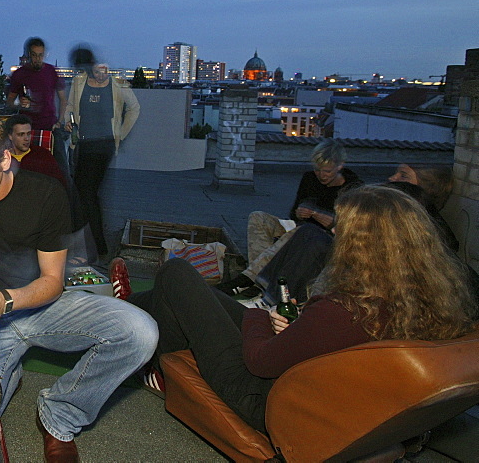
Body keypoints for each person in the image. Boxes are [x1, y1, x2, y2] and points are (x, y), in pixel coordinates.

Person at [119, 185, 478, 432]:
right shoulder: (427, 299)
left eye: (343, 229)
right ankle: (131, 316)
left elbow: (261, 361)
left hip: (263, 396)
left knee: (177, 274)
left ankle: (127, 321)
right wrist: (296, 331)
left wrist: (260, 316)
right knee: (190, 297)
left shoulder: (346, 309)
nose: (335, 234)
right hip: (317, 392)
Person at [0, 112, 157, 462]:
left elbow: (52, 282)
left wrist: (7, 298)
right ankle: (5, 372)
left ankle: (59, 414)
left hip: (40, 307)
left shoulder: (46, 194)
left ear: (4, 159)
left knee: (140, 331)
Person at [218, 138, 362, 298]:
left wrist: (324, 218)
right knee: (258, 218)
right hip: (299, 229)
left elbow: (351, 227)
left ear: (340, 166)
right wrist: (299, 213)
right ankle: (259, 280)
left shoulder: (353, 188)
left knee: (300, 232)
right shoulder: (309, 179)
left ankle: (247, 279)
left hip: (324, 240)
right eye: (317, 170)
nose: (321, 175)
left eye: (327, 171)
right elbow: (293, 213)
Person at [66, 58, 140, 258]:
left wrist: (121, 134)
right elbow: (71, 107)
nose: (101, 75)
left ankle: (96, 245)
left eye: (105, 71)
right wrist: (68, 122)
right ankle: (92, 243)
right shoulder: (78, 82)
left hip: (103, 146)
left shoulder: (118, 85)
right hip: (81, 144)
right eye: (98, 71)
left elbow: (134, 108)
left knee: (86, 193)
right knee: (86, 194)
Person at [6, 37, 71, 181]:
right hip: (27, 130)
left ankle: (64, 201)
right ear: (28, 55)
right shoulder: (19, 74)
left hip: (50, 127)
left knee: (61, 171)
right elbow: (9, 102)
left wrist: (59, 122)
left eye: (40, 55)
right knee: (26, 170)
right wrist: (19, 104)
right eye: (34, 55)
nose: (37, 59)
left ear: (44, 54)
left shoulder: (51, 71)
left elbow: (63, 99)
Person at [388, 163, 457, 251]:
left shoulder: (429, 232)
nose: (392, 178)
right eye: (396, 173)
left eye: (403, 176)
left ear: (427, 187)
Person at [5, 113, 66, 188]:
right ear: (10, 136)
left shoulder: (43, 155)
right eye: (21, 134)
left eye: (29, 134)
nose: (26, 138)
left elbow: (60, 183)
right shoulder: (2, 158)